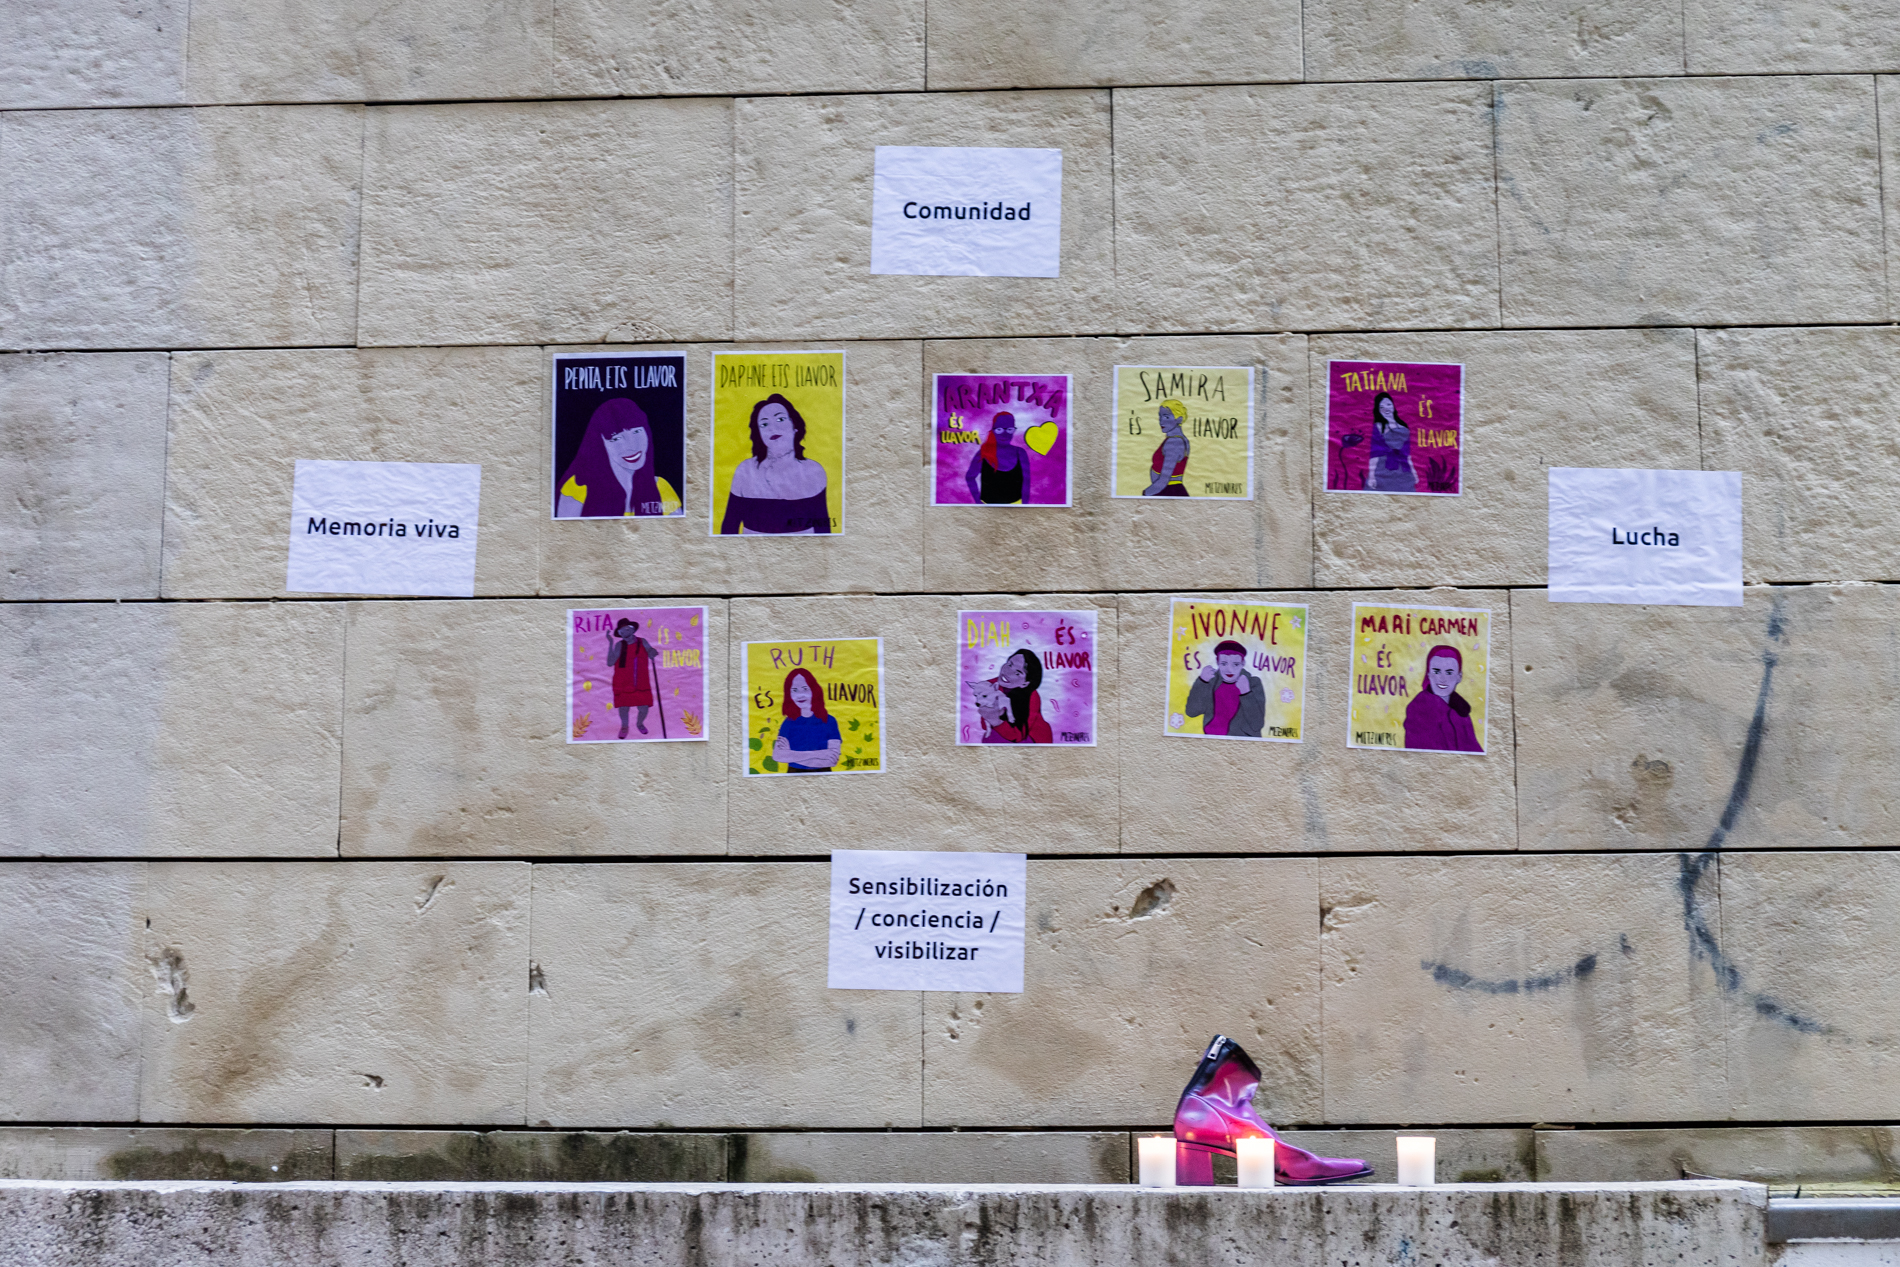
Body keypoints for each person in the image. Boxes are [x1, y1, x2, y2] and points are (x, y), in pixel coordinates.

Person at [720, 394, 832, 534]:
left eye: (780, 419)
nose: (772, 428)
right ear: (760, 434)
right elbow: (729, 527)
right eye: (764, 424)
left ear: (795, 426)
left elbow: (823, 528)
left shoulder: (814, 471)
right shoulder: (745, 470)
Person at [556, 398, 680, 518]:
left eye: (636, 432)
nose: (631, 446)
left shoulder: (661, 488)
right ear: (601, 443)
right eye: (616, 438)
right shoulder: (578, 488)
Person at [1403, 644, 1482, 752]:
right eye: (1436, 671)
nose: (1442, 679)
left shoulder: (1462, 711)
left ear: (1459, 677)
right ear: (1429, 674)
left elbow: (1473, 748)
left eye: (1449, 672)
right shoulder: (1418, 709)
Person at [1184, 639, 1265, 738]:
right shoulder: (1211, 681)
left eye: (1235, 664)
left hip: (1241, 740)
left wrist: (1246, 693)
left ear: (1243, 663)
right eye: (1224, 663)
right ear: (1217, 662)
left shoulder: (1253, 683)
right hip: (1210, 738)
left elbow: (1257, 725)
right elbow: (1192, 712)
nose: (1229, 669)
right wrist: (1202, 681)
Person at [772, 667, 842, 772]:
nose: (800, 695)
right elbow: (778, 755)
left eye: (805, 689)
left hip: (823, 775)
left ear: (813, 690)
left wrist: (791, 755)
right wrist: (821, 754)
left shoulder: (829, 721)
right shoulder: (788, 722)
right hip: (793, 775)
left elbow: (832, 760)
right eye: (794, 690)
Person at [965, 411, 1031, 504]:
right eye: (999, 430)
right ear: (993, 431)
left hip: (1016, 506)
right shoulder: (983, 453)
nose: (1004, 434)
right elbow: (970, 477)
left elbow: (1026, 481)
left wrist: (1024, 506)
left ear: (1013, 430)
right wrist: (978, 502)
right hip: (988, 507)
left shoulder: (1020, 453)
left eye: (1009, 429)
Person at [607, 618, 659, 738]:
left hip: (641, 682)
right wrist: (610, 643)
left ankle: (640, 723)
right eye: (621, 631)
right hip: (623, 682)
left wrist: (652, 652)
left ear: (632, 630)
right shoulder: (619, 645)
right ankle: (624, 726)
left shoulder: (642, 641)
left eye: (626, 629)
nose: (624, 633)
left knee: (644, 707)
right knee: (623, 708)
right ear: (620, 634)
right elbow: (610, 662)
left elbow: (650, 650)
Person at [991, 648, 1053, 744]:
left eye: (1017, 673)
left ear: (1025, 684)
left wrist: (995, 720)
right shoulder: (989, 686)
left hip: (1033, 740)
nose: (1008, 672)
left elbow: (1018, 736)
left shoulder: (1032, 697)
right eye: (1009, 664)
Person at [1364, 392, 1417, 493]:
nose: (1386, 409)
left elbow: (1407, 455)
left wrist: (1414, 473)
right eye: (1381, 407)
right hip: (1382, 470)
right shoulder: (1378, 426)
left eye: (1389, 404)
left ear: (1393, 406)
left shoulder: (1404, 428)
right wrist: (1371, 476)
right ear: (1378, 410)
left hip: (1403, 471)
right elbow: (1375, 453)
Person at [1141, 398, 1191, 497]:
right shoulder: (1177, 439)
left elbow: (1163, 480)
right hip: (1167, 490)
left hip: (1168, 490)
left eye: (1166, 417)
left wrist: (1146, 494)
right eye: (1160, 416)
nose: (1161, 421)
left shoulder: (1175, 442)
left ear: (1179, 419)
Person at [968, 678, 1017, 743]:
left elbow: (1007, 702)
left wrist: (1010, 715)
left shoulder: (1000, 696)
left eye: (984, 696)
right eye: (976, 695)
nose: (978, 700)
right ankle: (989, 730)